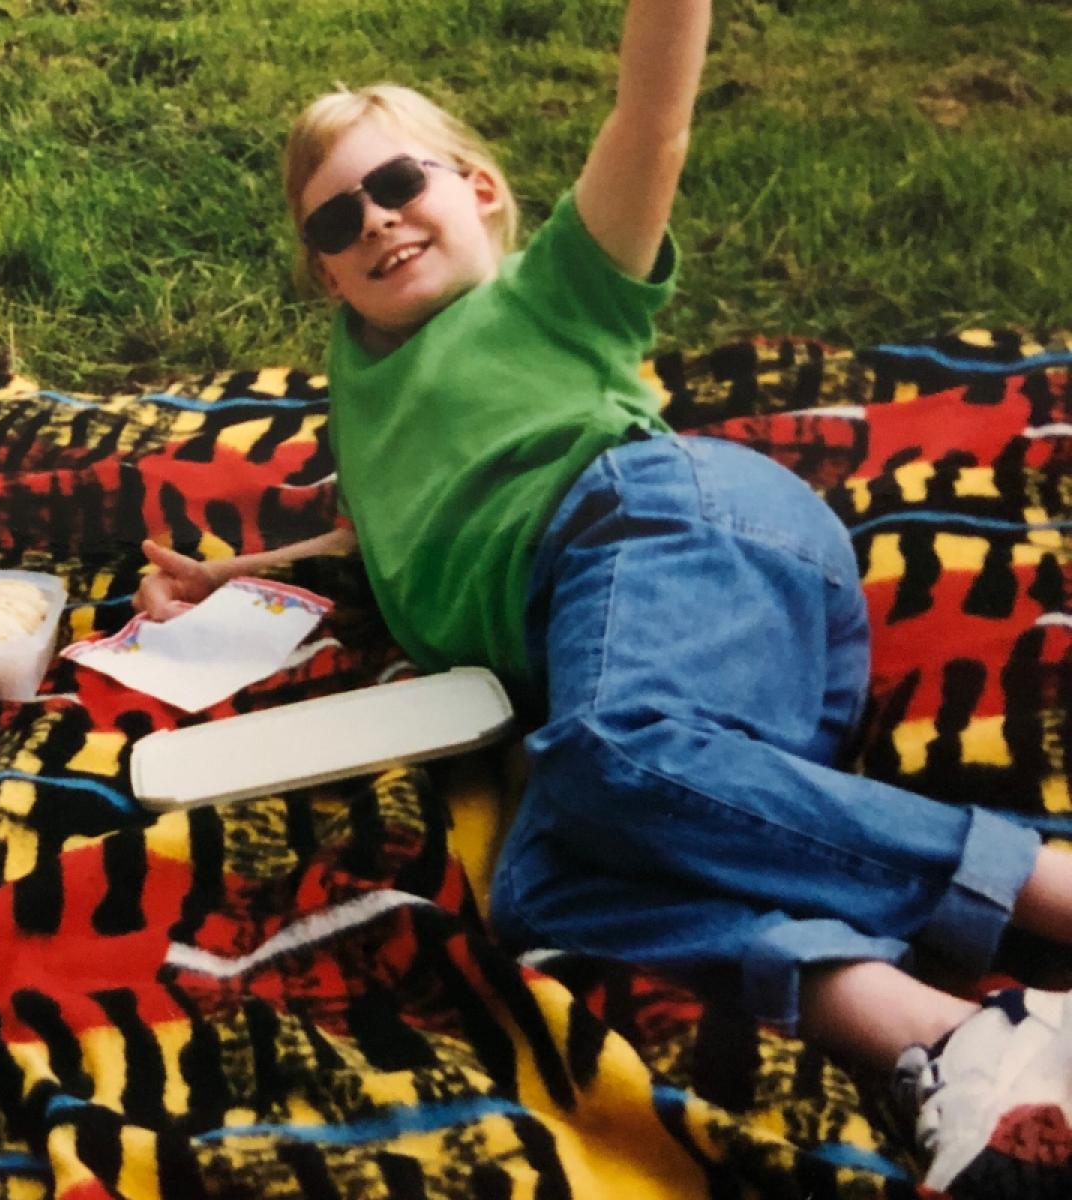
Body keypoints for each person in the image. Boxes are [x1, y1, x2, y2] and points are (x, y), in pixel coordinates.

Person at [134, 3, 1072, 1195]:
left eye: (398, 183)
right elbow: (382, 535)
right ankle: (964, 1040)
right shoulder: (361, 386)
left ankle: (1046, 889)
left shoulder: (550, 295)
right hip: (668, 665)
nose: (374, 220)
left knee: (609, 750)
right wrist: (227, 582)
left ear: (474, 187)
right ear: (324, 268)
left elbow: (652, 125)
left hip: (663, 524)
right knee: (546, 892)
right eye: (335, 219)